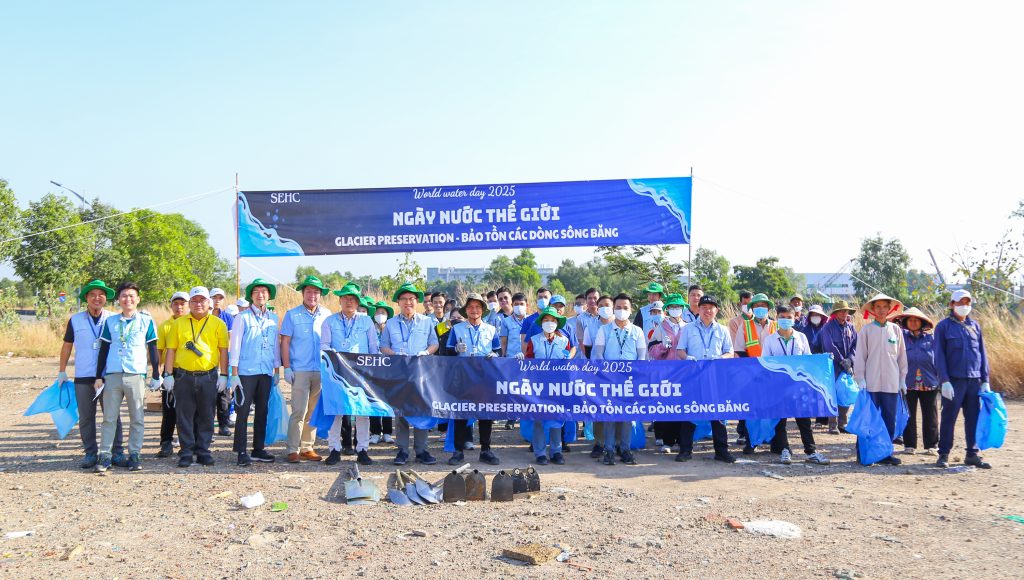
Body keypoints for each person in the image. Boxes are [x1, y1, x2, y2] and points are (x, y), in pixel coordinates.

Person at [57, 279, 125, 469]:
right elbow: (67, 346)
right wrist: (62, 371)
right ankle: (90, 453)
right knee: (86, 418)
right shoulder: (76, 320)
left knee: (112, 416)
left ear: (106, 298)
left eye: (101, 294)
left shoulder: (114, 319)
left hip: (108, 376)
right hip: (83, 376)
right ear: (86, 298)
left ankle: (116, 452)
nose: (97, 298)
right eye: (92, 295)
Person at [93, 282, 160, 472]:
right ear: (118, 300)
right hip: (113, 374)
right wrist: (99, 375)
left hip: (135, 374)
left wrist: (156, 373)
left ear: (138, 299)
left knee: (137, 417)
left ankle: (134, 454)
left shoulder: (146, 321)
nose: (127, 299)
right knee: (109, 417)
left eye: (131, 296)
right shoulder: (111, 322)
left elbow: (153, 348)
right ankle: (105, 455)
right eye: (124, 296)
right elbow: (104, 349)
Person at [163, 286, 230, 468]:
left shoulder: (218, 324)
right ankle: (186, 452)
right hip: (183, 376)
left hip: (208, 376)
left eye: (202, 300)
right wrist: (168, 374)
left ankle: (203, 451)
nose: (198, 304)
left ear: (208, 303)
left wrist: (224, 375)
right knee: (184, 415)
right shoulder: (179, 323)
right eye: (195, 300)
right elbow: (171, 350)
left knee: (207, 415)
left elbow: (223, 351)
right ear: (190, 303)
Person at [760, 305, 830, 465]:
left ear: (795, 318)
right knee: (781, 420)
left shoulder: (801, 338)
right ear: (777, 318)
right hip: (779, 386)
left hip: (799, 386)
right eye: (782, 317)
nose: (785, 320)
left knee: (804, 420)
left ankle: (811, 451)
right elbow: (766, 363)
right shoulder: (770, 339)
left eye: (789, 317)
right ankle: (784, 450)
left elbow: (809, 360)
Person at [379, 282, 440, 465]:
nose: (408, 302)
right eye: (404, 299)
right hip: (399, 373)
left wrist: (426, 353)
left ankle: (421, 451)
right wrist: (395, 355)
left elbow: (434, 343)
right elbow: (383, 346)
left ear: (417, 302)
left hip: (421, 373)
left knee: (421, 410)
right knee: (401, 412)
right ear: (398, 302)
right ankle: (402, 450)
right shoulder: (390, 324)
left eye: (412, 299)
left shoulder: (427, 321)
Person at [321, 282, 378, 466]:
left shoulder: (366, 321)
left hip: (361, 373)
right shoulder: (329, 321)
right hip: (337, 373)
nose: (349, 301)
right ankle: (334, 449)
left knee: (363, 412)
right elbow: (324, 346)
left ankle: (362, 449)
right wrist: (337, 358)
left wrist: (372, 370)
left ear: (357, 302)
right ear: (340, 300)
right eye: (345, 298)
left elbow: (373, 348)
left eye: (352, 299)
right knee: (336, 411)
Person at [934, 289, 993, 469]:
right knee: (949, 418)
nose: (964, 306)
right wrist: (944, 380)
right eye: (960, 303)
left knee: (973, 418)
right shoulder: (943, 327)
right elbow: (939, 355)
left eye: (967, 303)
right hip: (954, 381)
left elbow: (982, 353)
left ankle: (972, 454)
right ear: (952, 304)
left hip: (974, 381)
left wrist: (985, 379)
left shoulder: (975, 326)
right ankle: (943, 454)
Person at [675, 295, 736, 463]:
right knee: (690, 411)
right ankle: (685, 450)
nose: (707, 310)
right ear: (698, 309)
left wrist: (721, 358)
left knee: (718, 413)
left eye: (711, 307)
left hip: (715, 377)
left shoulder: (722, 330)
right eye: (704, 307)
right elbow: (680, 350)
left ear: (716, 310)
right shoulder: (688, 328)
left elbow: (730, 352)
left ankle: (721, 450)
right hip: (693, 377)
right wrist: (687, 358)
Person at [279, 275, 332, 463]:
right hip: (299, 369)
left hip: (321, 370)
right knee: (298, 411)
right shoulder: (292, 314)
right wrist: (286, 367)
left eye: (316, 292)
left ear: (320, 295)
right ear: (303, 294)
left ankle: (307, 447)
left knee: (313, 411)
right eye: (309, 291)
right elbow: (285, 341)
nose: (312, 295)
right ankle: (293, 449)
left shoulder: (327, 315)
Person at [228, 278, 280, 467]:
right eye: (256, 291)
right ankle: (241, 450)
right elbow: (235, 347)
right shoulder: (242, 318)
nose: (260, 295)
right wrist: (234, 374)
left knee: (262, 411)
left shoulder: (273, 318)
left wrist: (276, 370)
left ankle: (258, 448)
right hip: (246, 372)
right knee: (242, 412)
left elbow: (275, 346)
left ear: (268, 296)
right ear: (251, 296)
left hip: (265, 371)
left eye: (264, 292)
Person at [446, 292, 502, 466]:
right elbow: (447, 351)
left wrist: (495, 354)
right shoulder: (457, 329)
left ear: (482, 310)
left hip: (485, 377)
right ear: (466, 310)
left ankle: (485, 450)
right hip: (463, 377)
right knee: (461, 413)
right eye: (470, 307)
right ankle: (458, 451)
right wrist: (456, 347)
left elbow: (499, 351)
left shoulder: (491, 329)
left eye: (477, 307)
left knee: (486, 414)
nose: (474, 310)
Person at [592, 293, 647, 466]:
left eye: (625, 308)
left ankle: (625, 449)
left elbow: (642, 356)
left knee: (627, 416)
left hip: (630, 381)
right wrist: (606, 373)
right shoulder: (604, 330)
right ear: (613, 309)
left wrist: (635, 376)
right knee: (609, 415)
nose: (621, 311)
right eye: (618, 307)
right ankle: (608, 450)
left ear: (631, 311)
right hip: (609, 380)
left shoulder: (637, 331)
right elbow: (599, 354)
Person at [853, 293, 908, 466]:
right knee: (868, 418)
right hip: (871, 383)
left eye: (885, 307)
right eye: (878, 307)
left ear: (890, 309)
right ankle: (863, 453)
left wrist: (902, 380)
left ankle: (885, 453)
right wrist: (860, 378)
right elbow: (860, 356)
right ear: (873, 310)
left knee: (888, 418)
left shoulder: (896, 330)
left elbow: (901, 357)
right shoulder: (866, 331)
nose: (882, 310)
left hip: (891, 383)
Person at [523, 306, 573, 465]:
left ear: (557, 323)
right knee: (538, 420)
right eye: (546, 320)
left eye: (552, 320)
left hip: (557, 386)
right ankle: (540, 453)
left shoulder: (564, 341)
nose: (549, 323)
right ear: (541, 322)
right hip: (538, 385)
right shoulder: (534, 340)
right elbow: (528, 361)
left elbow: (567, 362)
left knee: (557, 418)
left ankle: (556, 451)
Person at [891, 307, 939, 455]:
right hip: (908, 382)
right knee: (909, 415)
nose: (913, 322)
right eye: (910, 320)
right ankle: (909, 445)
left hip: (929, 382)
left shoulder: (931, 339)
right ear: (905, 322)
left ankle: (931, 445)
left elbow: (938, 359)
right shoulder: (901, 338)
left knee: (930, 415)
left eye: (916, 320)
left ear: (922, 323)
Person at [648, 293, 686, 453]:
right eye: (671, 307)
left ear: (683, 309)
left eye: (678, 307)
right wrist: (663, 347)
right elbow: (652, 350)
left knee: (682, 407)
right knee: (667, 406)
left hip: (684, 373)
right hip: (666, 373)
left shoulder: (689, 327)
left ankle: (681, 439)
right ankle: (667, 440)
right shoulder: (660, 328)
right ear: (667, 309)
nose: (675, 310)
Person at [155, 291, 188, 458]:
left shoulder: (191, 324)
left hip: (188, 372)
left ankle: (187, 444)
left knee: (187, 411)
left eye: (182, 303)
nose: (179, 306)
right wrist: (158, 374)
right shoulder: (165, 326)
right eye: (176, 303)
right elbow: (159, 351)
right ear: (171, 306)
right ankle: (166, 442)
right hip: (171, 372)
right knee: (169, 409)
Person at [819, 299, 858, 433]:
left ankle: (843, 423)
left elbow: (855, 345)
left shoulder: (851, 327)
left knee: (845, 392)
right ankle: (833, 425)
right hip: (832, 366)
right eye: (841, 311)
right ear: (835, 313)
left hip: (847, 365)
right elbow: (830, 346)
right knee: (833, 394)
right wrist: (843, 361)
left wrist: (850, 360)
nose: (844, 313)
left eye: (846, 311)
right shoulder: (827, 328)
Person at [209, 287, 234, 436]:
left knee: (224, 395)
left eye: (220, 298)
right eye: (214, 297)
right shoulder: (203, 316)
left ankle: (223, 425)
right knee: (207, 397)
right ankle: (207, 427)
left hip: (223, 361)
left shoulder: (228, 318)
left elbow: (229, 340)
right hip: (207, 362)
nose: (217, 300)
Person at [369, 300, 395, 445]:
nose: (380, 315)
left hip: (388, 369)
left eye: (383, 313)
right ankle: (374, 432)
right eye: (378, 313)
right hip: (372, 369)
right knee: (373, 400)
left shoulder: (391, 329)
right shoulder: (370, 328)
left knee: (387, 401)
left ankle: (387, 432)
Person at [732, 292, 776, 357]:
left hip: (773, 365)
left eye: (763, 305)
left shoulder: (777, 326)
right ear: (752, 309)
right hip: (752, 365)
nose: (760, 307)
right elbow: (740, 351)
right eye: (757, 306)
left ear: (768, 308)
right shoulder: (744, 326)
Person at [518, 287, 553, 353]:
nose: (542, 299)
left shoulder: (556, 320)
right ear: (536, 300)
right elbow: (524, 342)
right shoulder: (528, 320)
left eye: (545, 297)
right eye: (540, 297)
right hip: (534, 360)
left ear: (550, 301)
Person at [500, 292, 529, 358]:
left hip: (528, 360)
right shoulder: (506, 321)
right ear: (512, 305)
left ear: (526, 305)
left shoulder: (531, 320)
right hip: (511, 359)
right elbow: (503, 342)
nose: (519, 306)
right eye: (516, 304)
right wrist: (502, 357)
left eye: (522, 304)